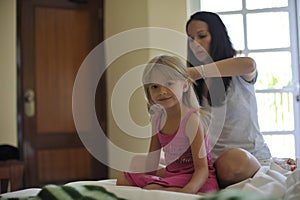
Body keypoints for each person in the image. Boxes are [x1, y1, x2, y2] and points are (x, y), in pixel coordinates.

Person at [185, 11, 271, 188]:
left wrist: (194, 71)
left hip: (248, 159)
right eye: (191, 39)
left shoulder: (237, 71)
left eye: (202, 36)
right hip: (212, 164)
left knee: (233, 162)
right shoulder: (194, 84)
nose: (196, 44)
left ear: (217, 37)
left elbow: (250, 64)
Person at [116, 55, 219, 194]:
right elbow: (152, 163)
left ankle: (167, 188)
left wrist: (188, 191)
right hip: (173, 176)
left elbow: (202, 169)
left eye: (169, 84)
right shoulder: (158, 119)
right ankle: (165, 187)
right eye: (155, 86)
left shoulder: (191, 120)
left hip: (197, 180)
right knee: (122, 179)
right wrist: (141, 176)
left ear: (185, 85)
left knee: (151, 188)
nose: (162, 92)